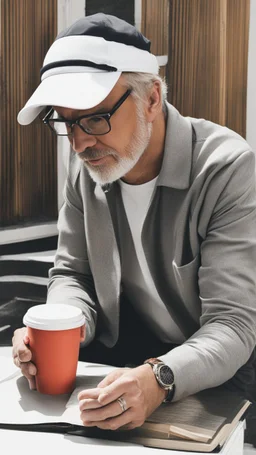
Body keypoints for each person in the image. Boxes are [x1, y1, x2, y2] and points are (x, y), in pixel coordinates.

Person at [12, 13, 256, 431]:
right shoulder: (86, 166)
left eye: (94, 117)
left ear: (152, 98)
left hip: (232, 367)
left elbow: (233, 324)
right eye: (65, 121)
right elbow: (73, 272)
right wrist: (59, 326)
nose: (80, 142)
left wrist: (159, 378)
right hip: (135, 355)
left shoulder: (228, 169)